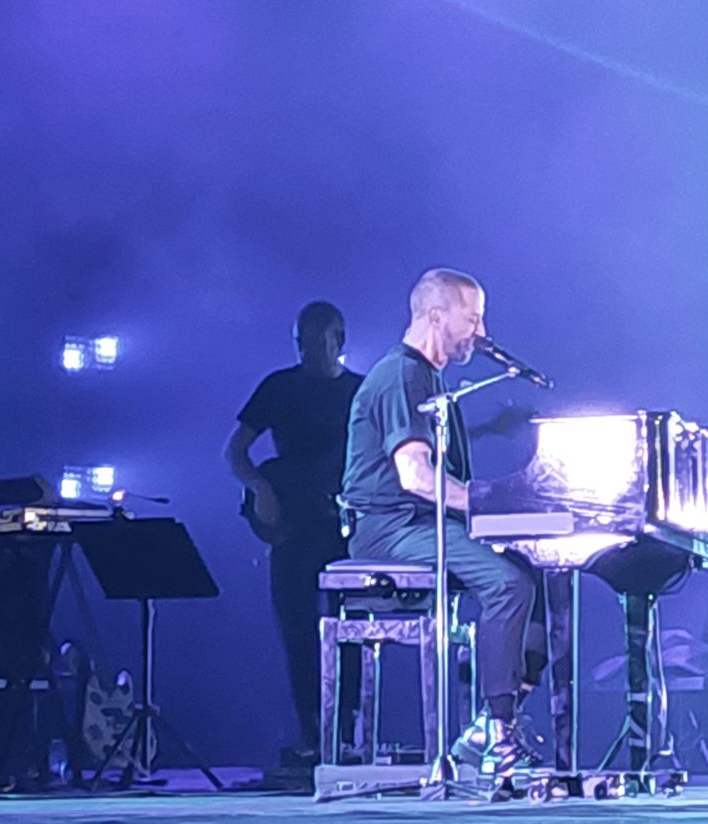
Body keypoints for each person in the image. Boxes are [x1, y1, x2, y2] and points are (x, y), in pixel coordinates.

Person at [340, 268, 547, 776]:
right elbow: (414, 476)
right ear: (436, 316)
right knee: (506, 584)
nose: (481, 332)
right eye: (472, 319)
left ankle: (489, 722)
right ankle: (499, 734)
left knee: (537, 570)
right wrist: (485, 503)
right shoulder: (401, 374)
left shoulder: (428, 378)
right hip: (390, 528)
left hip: (421, 523)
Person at [225, 301, 363, 759]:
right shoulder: (279, 386)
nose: (308, 352)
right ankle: (311, 735)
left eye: (317, 343)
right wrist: (260, 487)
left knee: (351, 630)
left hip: (342, 527)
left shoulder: (361, 393)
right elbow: (236, 451)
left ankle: (347, 733)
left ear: (339, 339)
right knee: (297, 631)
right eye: (301, 343)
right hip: (291, 528)